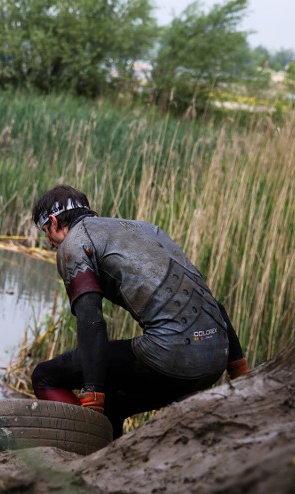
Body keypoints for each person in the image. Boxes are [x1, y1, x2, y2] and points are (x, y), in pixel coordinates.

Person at [30, 184, 249, 438]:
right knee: (114, 404)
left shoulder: (75, 243)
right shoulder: (146, 229)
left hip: (171, 358)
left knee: (45, 377)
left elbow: (92, 321)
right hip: (216, 358)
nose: (50, 243)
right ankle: (106, 458)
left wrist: (92, 393)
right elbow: (206, 299)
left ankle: (84, 439)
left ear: (55, 222)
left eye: (47, 232)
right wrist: (240, 373)